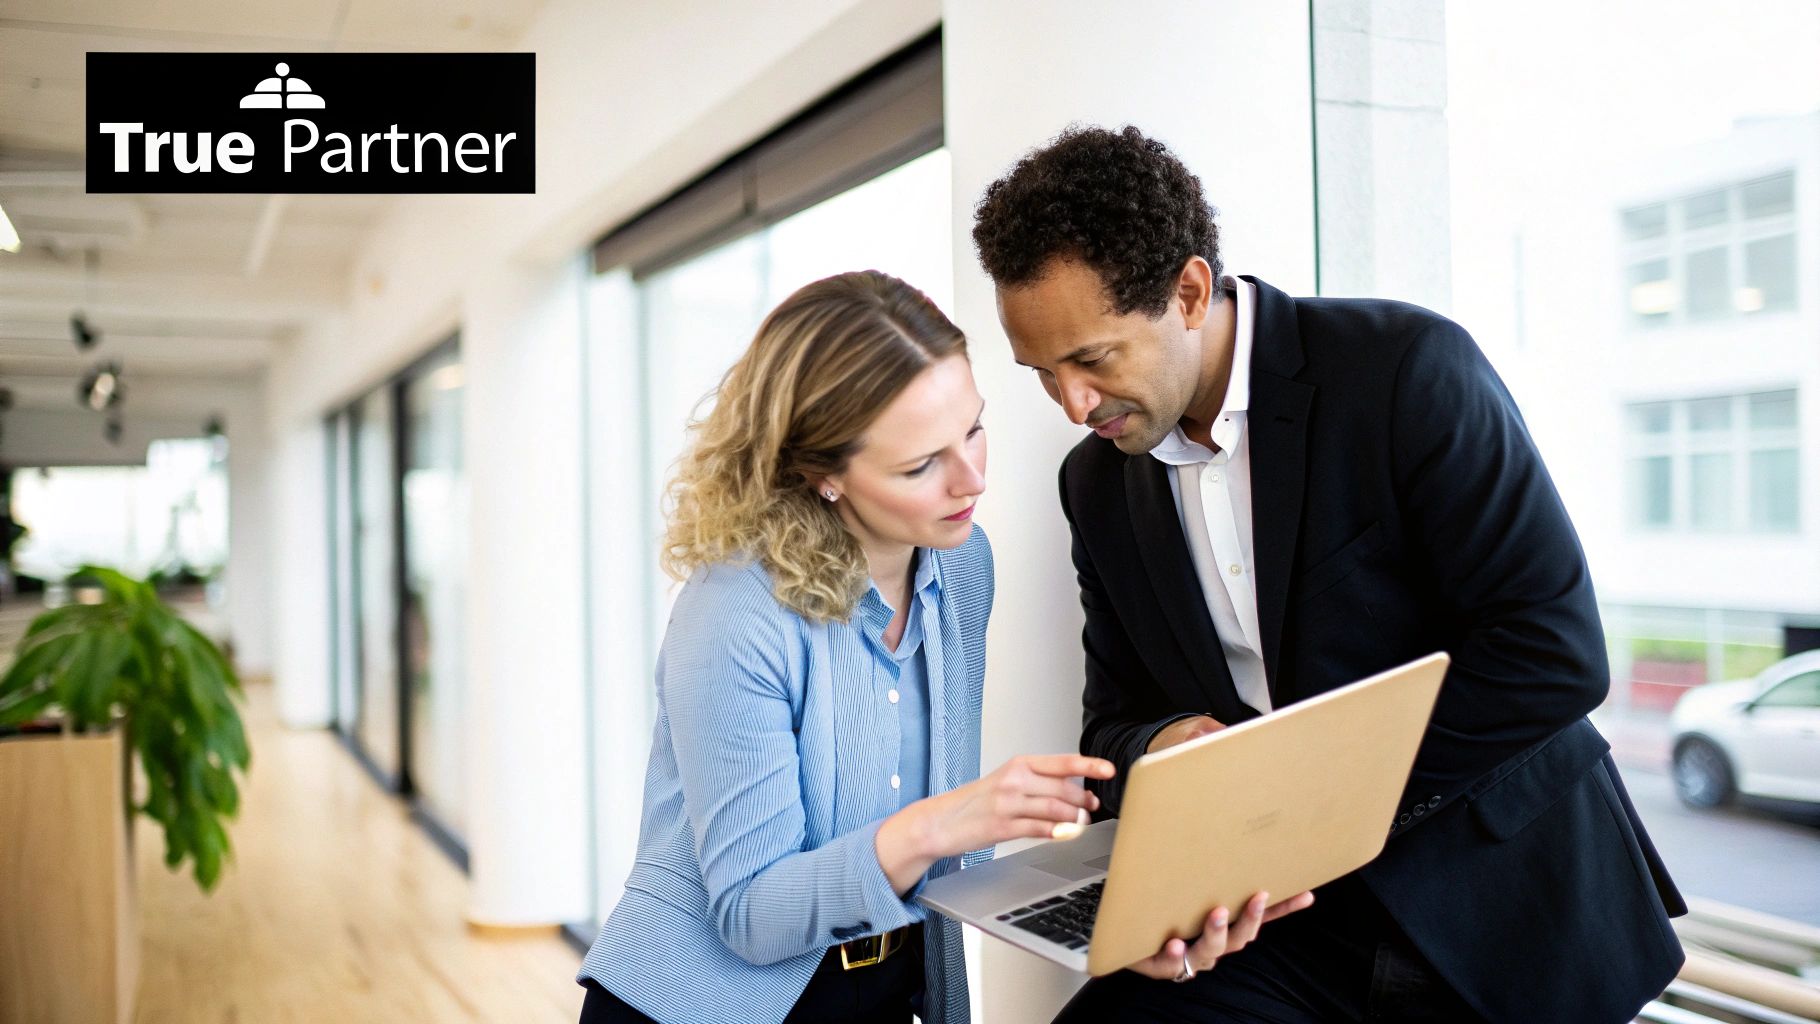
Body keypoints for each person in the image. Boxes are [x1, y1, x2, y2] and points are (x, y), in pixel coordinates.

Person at [970, 126, 1687, 1023]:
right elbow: (1111, 721)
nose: (1073, 405)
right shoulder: (1096, 482)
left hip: (1497, 907)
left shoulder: (1407, 370)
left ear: (1189, 292)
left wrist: (1302, 794)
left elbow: (1554, 652)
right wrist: (1163, 747)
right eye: (1042, 373)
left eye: (1093, 359)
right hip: (1279, 926)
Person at [574, 271, 1124, 1024]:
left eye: (972, 429)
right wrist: (947, 821)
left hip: (892, 979)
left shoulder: (963, 563)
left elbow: (942, 861)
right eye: (920, 464)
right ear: (822, 474)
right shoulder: (736, 611)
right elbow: (753, 915)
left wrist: (1114, 918)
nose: (971, 478)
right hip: (708, 1001)